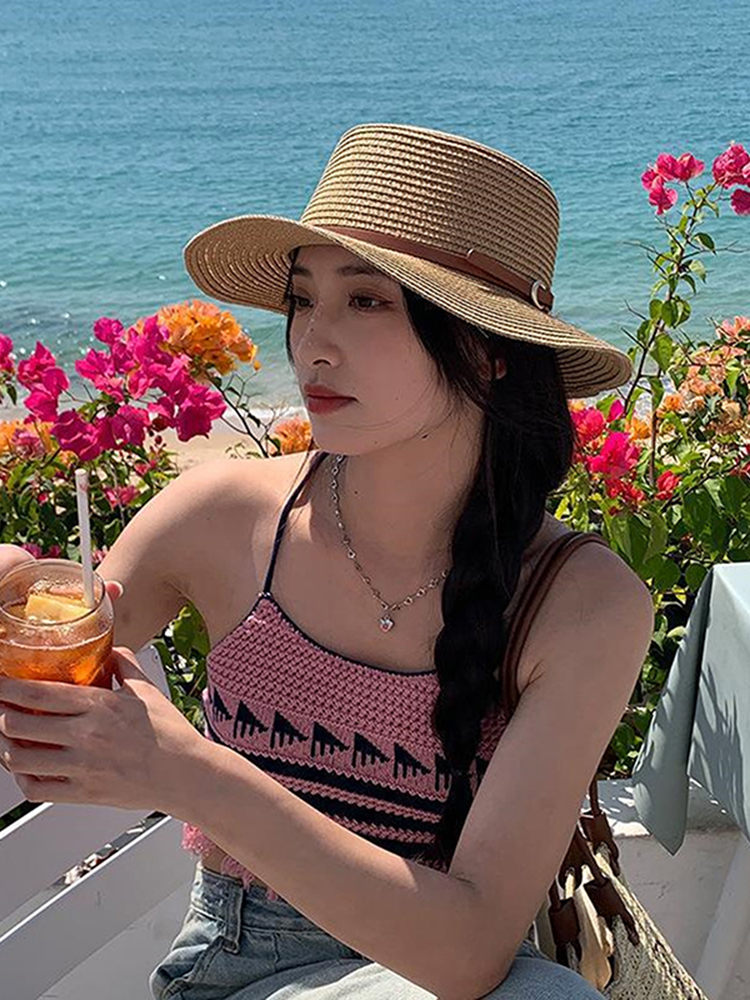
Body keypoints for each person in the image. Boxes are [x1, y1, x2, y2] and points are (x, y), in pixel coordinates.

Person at [0, 123, 654, 999]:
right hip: (234, 972)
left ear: (489, 349)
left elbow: (467, 954)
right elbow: (52, 667)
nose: (313, 343)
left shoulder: (579, 601)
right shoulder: (225, 518)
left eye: (368, 301)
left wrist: (189, 773)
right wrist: (15, 589)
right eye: (303, 299)